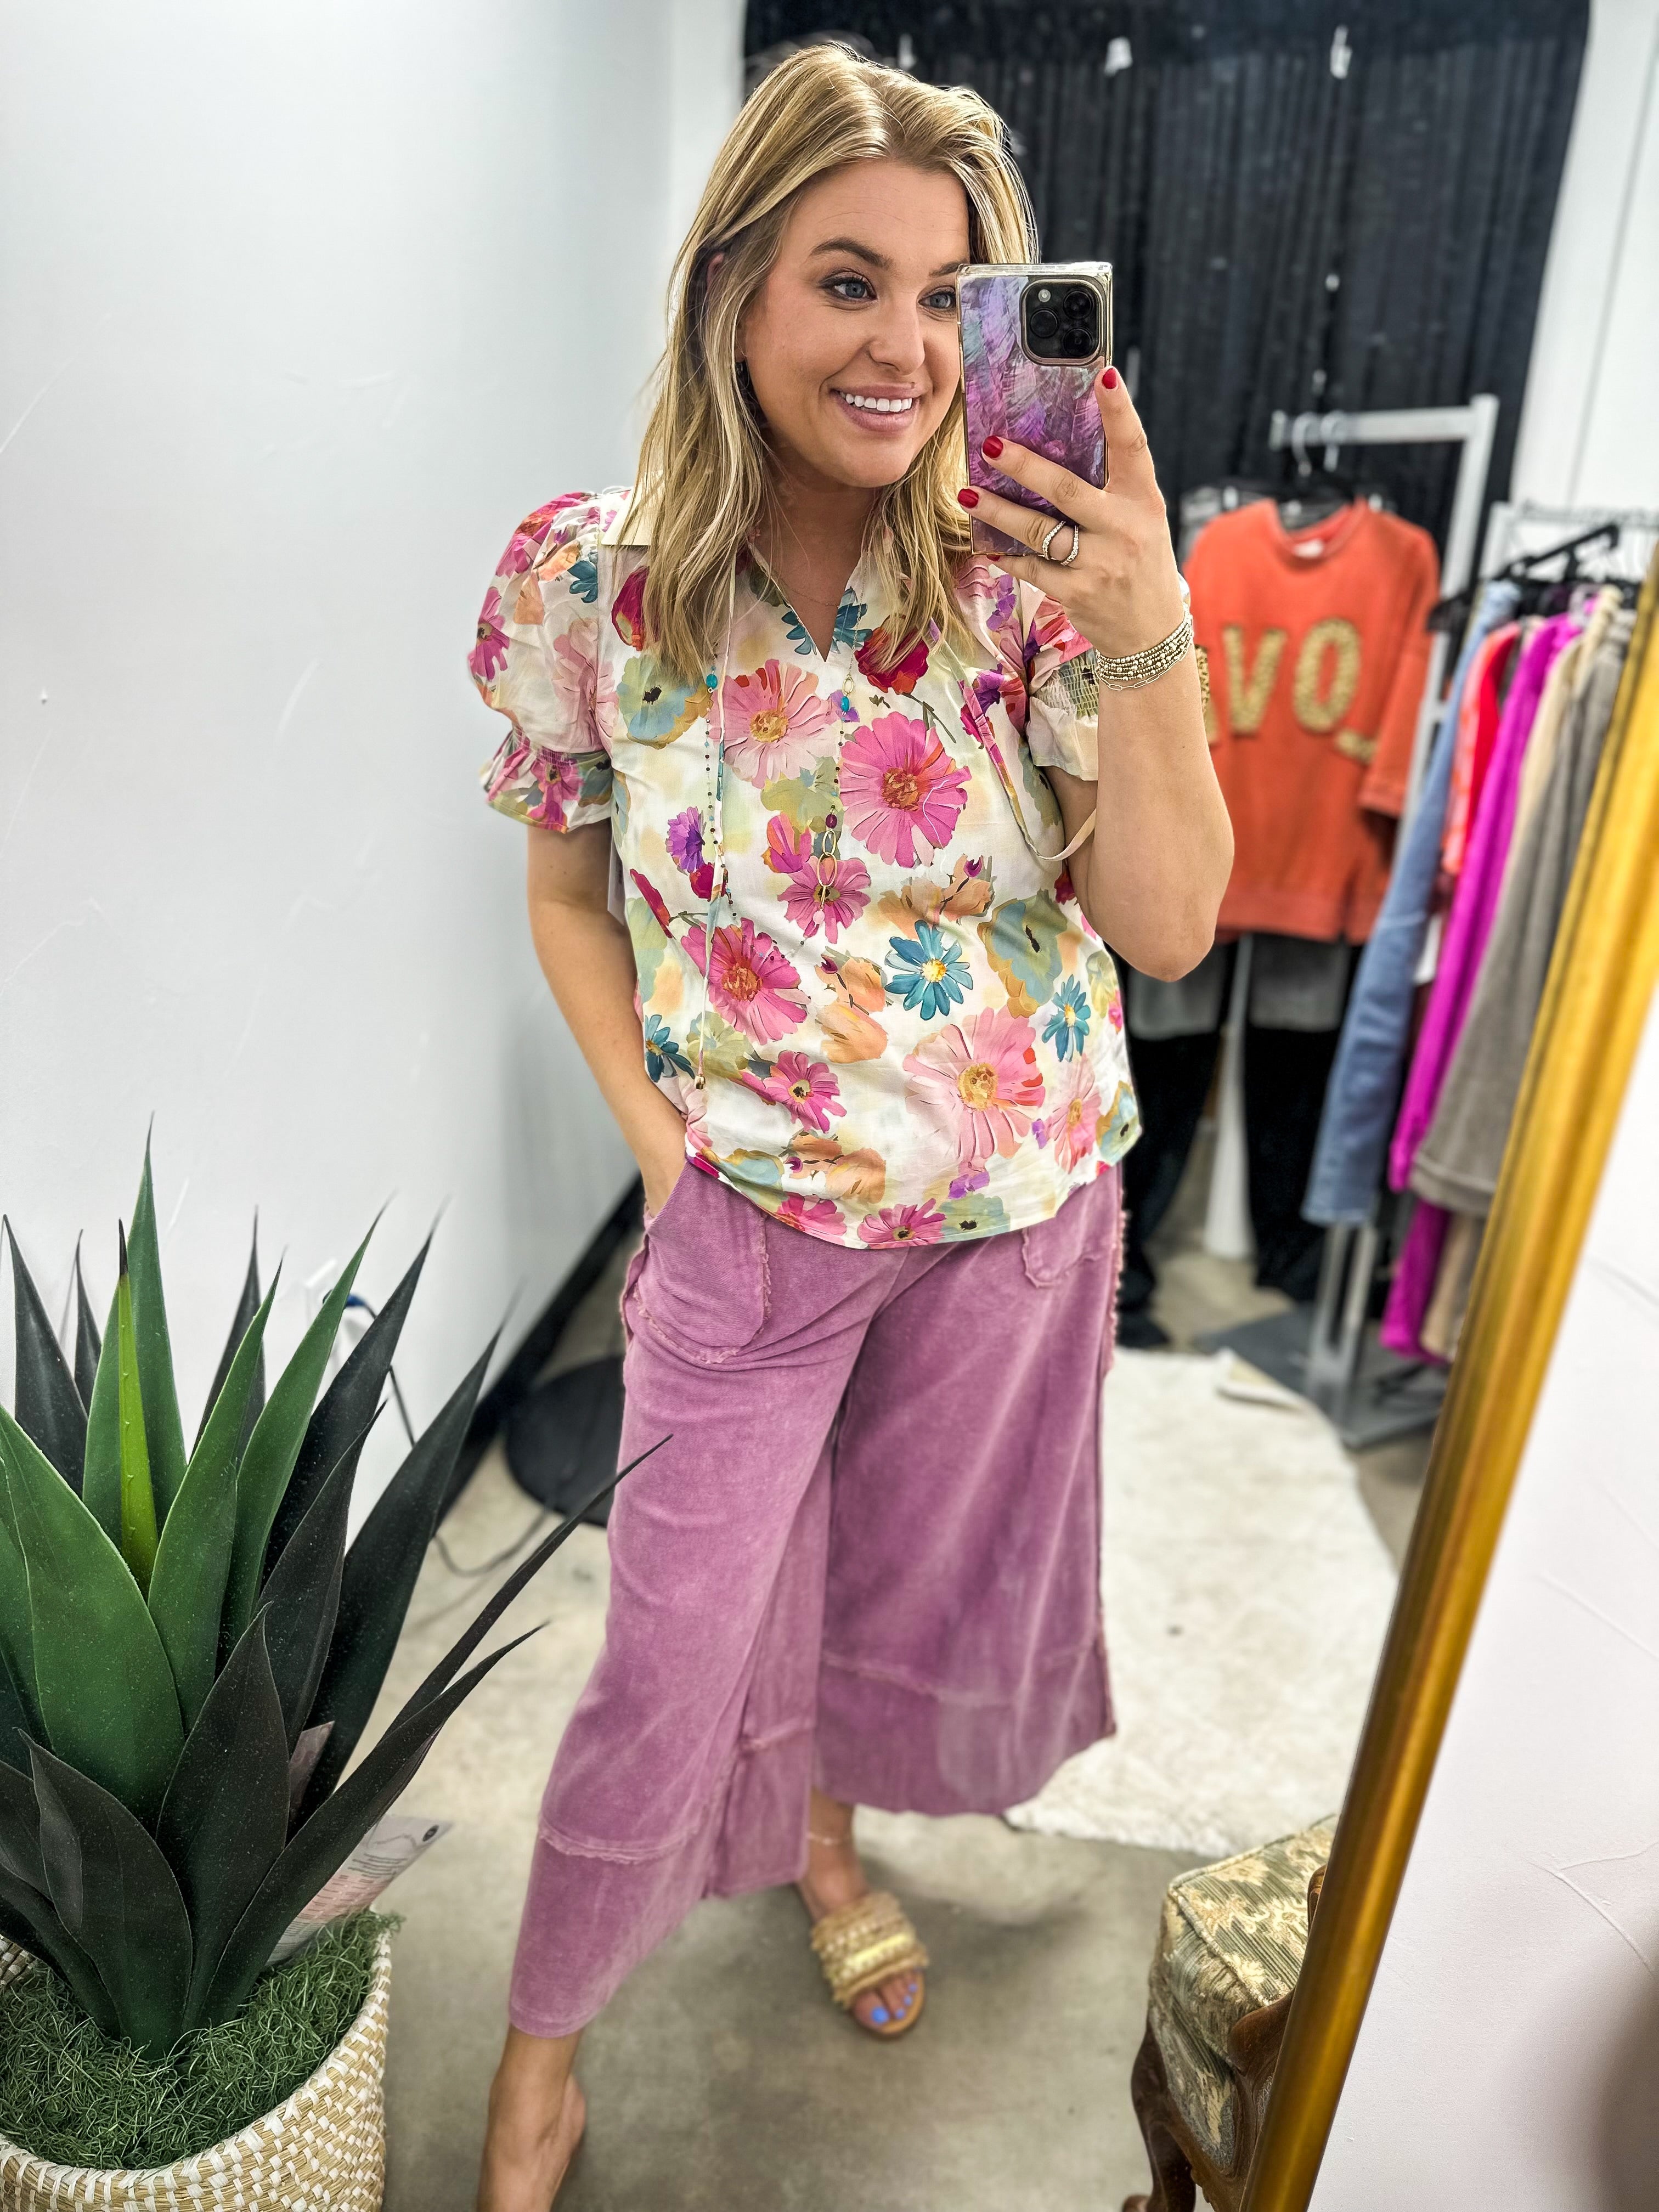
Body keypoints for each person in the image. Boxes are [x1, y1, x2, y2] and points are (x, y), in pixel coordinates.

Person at [469, 43, 1230, 2210]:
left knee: (896, 1588)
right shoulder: (590, 581)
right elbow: (565, 892)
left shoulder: (1030, 574)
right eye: (844, 280)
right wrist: (655, 1140)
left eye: (945, 293)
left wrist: (1151, 623)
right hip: (748, 1215)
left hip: (1015, 1205)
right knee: (668, 1651)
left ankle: (826, 1847)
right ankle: (541, 2050)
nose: (903, 345)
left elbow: (1170, 927)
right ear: (733, 287)